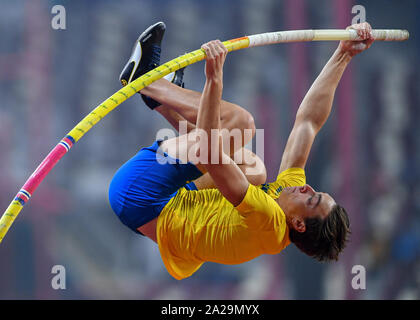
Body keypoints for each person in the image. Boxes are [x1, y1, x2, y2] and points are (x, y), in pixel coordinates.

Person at [109, 21, 374, 280]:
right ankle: (159, 98)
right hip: (167, 204)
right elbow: (308, 123)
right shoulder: (288, 199)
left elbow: (208, 153)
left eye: (312, 199)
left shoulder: (268, 221)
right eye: (316, 192)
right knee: (254, 169)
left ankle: (147, 81)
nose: (308, 188)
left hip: (139, 197)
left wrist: (214, 79)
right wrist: (343, 54)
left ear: (299, 224)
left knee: (241, 124)